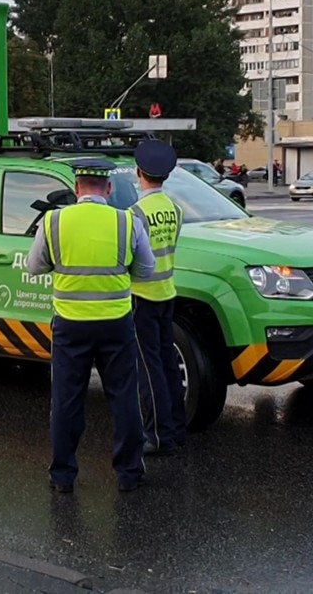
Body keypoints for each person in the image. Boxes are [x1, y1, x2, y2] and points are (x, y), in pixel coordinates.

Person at [28, 158, 155, 494]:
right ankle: (129, 473)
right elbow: (146, 271)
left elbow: (34, 266)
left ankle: (63, 476)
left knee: (67, 401)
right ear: (109, 189)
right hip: (116, 324)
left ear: (76, 189)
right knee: (124, 398)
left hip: (70, 326)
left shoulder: (54, 220)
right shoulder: (127, 222)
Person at [129, 141, 186, 456]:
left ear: (139, 173)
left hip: (142, 297)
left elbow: (133, 259)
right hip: (168, 292)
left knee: (148, 369)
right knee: (167, 364)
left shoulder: (135, 213)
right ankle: (177, 430)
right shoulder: (175, 209)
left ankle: (156, 435)